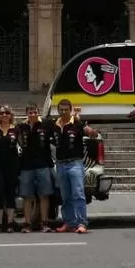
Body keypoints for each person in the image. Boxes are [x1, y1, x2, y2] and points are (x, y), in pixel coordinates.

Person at [50, 98, 98, 234]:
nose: (63, 112)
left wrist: (92, 132)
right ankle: (69, 223)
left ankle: (82, 223)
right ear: (58, 110)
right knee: (65, 197)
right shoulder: (55, 125)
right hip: (60, 165)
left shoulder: (77, 123)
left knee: (78, 194)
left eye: (66, 109)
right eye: (61, 109)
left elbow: (88, 131)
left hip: (75, 164)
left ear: (70, 110)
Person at [17, 102, 54, 233]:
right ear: (26, 113)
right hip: (26, 166)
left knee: (44, 195)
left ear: (38, 112)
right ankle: (27, 224)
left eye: (34, 112)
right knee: (27, 196)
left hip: (43, 165)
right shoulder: (21, 126)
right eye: (30, 112)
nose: (32, 114)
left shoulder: (46, 124)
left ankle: (45, 223)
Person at [0, 105, 20, 232]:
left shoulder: (16, 129)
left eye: (7, 113)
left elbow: (23, 144)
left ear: (11, 115)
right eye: (2, 113)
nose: (4, 115)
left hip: (12, 166)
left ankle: (10, 223)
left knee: (10, 194)